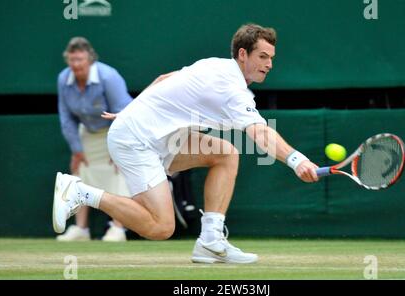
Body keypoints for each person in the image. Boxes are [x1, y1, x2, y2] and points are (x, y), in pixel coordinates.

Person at [52, 24, 319, 262]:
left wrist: (133, 109)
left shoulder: (214, 64)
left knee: (226, 154)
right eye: (262, 56)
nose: (269, 64)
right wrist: (298, 161)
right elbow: (261, 134)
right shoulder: (232, 90)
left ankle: (211, 242)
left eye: (271, 58)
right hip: (135, 140)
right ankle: (79, 192)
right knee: (161, 227)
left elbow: (163, 79)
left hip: (158, 137)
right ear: (242, 54)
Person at [56, 37, 132, 242]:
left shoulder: (109, 77)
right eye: (72, 60)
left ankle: (117, 228)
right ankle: (81, 229)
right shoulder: (64, 79)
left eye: (80, 59)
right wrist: (76, 149)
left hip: (115, 131)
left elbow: (124, 113)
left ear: (89, 59)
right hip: (87, 132)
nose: (76, 64)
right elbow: (66, 117)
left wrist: (121, 148)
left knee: (120, 174)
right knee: (79, 172)